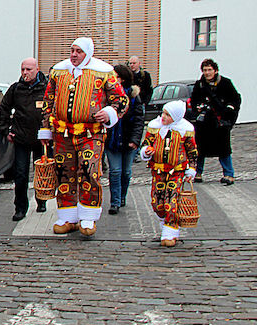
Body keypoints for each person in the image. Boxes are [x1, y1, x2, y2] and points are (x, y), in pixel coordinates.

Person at [38, 37, 128, 237]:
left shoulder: (104, 72)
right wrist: (45, 129)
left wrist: (110, 113)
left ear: (88, 53)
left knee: (89, 170)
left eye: (78, 51)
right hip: (63, 133)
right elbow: (48, 101)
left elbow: (121, 100)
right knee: (63, 172)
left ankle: (88, 216)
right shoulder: (59, 71)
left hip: (91, 133)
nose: (74, 55)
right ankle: (67, 216)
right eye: (72, 50)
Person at [0, 57, 48, 221]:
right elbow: (4, 108)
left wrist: (51, 131)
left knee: (42, 172)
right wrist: (6, 130)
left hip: (42, 139)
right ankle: (20, 208)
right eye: (23, 69)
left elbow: (54, 109)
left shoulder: (46, 87)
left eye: (29, 69)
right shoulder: (16, 89)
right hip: (21, 138)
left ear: (37, 69)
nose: (25, 72)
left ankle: (41, 200)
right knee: (20, 175)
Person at [140, 100, 197, 246]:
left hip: (176, 172)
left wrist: (191, 168)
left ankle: (170, 231)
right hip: (158, 170)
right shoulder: (155, 127)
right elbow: (146, 143)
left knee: (171, 201)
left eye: (168, 115)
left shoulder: (185, 130)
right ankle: (164, 221)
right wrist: (146, 151)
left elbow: (192, 151)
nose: (163, 117)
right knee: (157, 202)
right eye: (163, 113)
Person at [190, 59, 241, 185]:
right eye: (205, 70)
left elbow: (235, 99)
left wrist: (229, 109)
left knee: (224, 149)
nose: (207, 73)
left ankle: (229, 174)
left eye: (209, 70)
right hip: (204, 123)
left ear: (215, 70)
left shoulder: (226, 83)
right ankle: (197, 173)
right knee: (200, 149)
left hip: (220, 122)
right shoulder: (200, 85)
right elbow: (194, 100)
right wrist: (198, 108)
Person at [104, 64, 144, 214]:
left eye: (116, 77)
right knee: (115, 171)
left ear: (122, 79)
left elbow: (139, 120)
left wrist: (135, 140)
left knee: (126, 172)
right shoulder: (107, 96)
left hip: (128, 139)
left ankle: (122, 196)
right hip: (112, 140)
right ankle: (114, 202)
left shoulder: (133, 97)